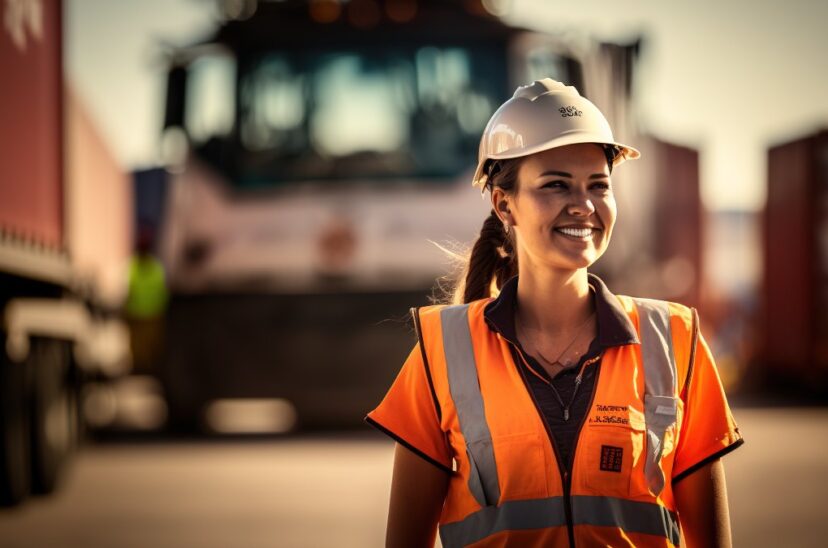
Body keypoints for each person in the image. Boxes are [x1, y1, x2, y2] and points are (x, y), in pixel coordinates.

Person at [365, 79, 743, 547]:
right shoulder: (442, 352)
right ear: (505, 205)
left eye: (598, 185)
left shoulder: (675, 341)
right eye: (556, 185)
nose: (583, 205)